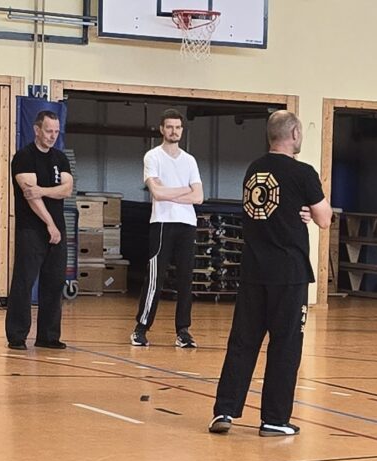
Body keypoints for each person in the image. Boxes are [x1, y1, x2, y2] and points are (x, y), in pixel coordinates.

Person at [209, 110, 331, 437]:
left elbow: (274, 208)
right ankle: (275, 418)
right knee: (285, 344)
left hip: (253, 270)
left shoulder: (254, 169)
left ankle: (224, 410)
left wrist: (300, 209)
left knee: (243, 342)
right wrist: (309, 210)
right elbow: (325, 218)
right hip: (288, 273)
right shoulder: (303, 172)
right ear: (294, 134)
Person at [130, 109, 204, 348]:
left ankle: (183, 331)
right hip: (162, 223)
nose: (174, 131)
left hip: (187, 224)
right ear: (162, 129)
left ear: (182, 130)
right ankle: (141, 328)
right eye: (170, 127)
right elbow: (157, 193)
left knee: (185, 279)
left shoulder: (189, 160)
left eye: (178, 127)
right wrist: (185, 189)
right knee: (155, 277)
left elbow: (199, 197)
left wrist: (170, 191)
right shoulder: (153, 157)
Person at [5, 110, 73, 351]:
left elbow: (67, 190)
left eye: (56, 131)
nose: (52, 136)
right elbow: (31, 197)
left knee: (54, 281)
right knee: (24, 281)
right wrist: (49, 224)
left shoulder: (60, 158)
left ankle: (48, 335)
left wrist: (43, 190)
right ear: (36, 130)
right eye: (48, 131)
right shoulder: (24, 157)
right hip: (31, 229)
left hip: (57, 230)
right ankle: (17, 335)